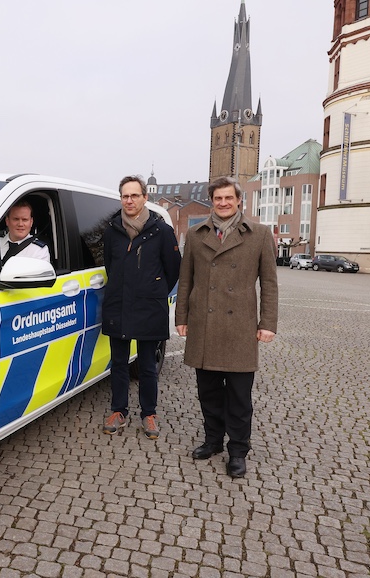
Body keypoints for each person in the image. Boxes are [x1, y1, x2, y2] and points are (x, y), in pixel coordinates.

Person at [175, 176, 278, 478]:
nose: (222, 203)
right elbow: (186, 281)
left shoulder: (258, 234)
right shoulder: (195, 235)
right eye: (217, 199)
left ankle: (237, 450)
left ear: (238, 201)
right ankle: (212, 441)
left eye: (228, 198)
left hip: (240, 327)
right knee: (208, 392)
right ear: (212, 201)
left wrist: (267, 323)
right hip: (204, 324)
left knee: (238, 396)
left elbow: (270, 283)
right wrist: (181, 317)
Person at [101, 175, 181, 439]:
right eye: (125, 196)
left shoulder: (162, 231)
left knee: (147, 366)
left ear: (145, 197)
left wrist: (152, 289)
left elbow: (172, 270)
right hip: (119, 304)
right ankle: (118, 411)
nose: (129, 200)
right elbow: (110, 267)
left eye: (135, 195)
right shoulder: (112, 230)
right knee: (119, 363)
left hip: (149, 308)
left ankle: (149, 413)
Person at [0, 200, 51, 264]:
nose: (20, 224)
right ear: (7, 221)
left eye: (24, 220)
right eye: (16, 219)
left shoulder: (39, 250)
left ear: (31, 222)